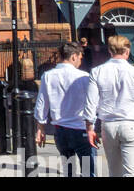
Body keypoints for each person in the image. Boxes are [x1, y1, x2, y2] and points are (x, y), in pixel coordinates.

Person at [84, 33, 134, 177]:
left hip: (108, 126)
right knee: (132, 173)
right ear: (127, 51)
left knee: (114, 172)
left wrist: (90, 128)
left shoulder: (97, 72)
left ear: (110, 51)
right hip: (131, 124)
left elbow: (91, 103)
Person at [35, 42, 94, 176]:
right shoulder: (84, 77)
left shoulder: (48, 76)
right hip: (81, 130)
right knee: (88, 172)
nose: (80, 61)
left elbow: (42, 104)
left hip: (61, 131)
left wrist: (40, 129)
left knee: (68, 171)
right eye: (80, 57)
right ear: (74, 56)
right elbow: (92, 104)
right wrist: (92, 126)